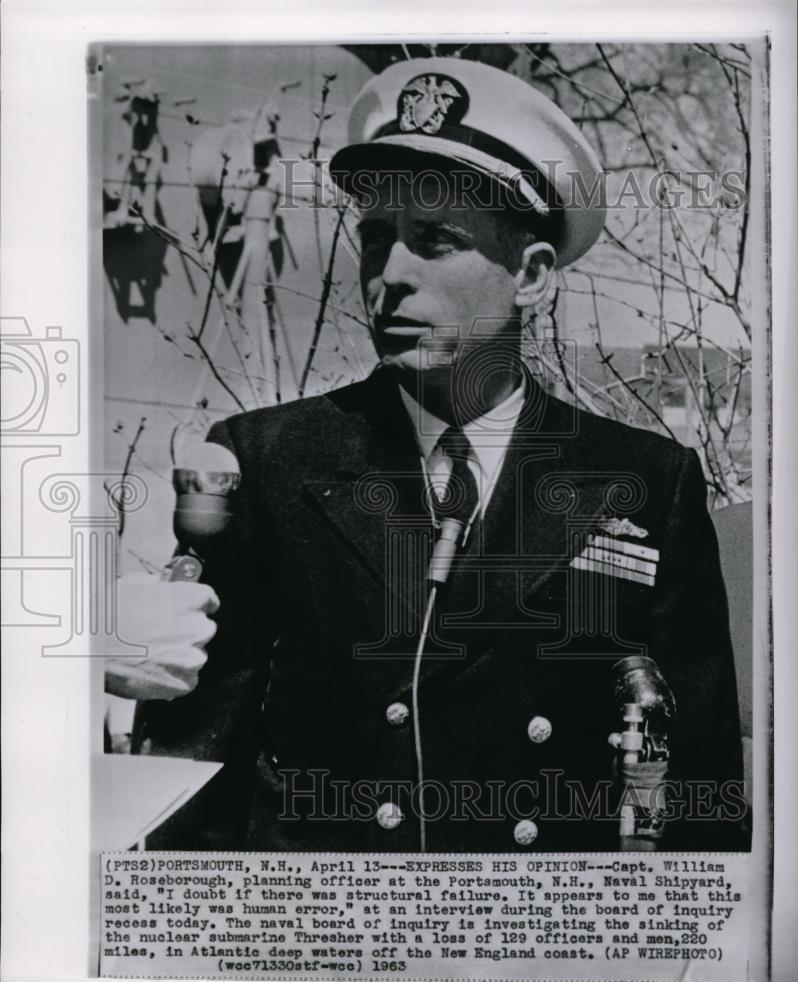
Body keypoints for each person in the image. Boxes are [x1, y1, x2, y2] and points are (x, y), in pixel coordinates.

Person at [120, 57, 747, 852]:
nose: (389, 277)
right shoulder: (268, 461)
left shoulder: (641, 483)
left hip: (537, 945)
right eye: (376, 238)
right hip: (324, 941)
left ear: (532, 274)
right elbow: (193, 770)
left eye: (435, 240)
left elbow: (699, 785)